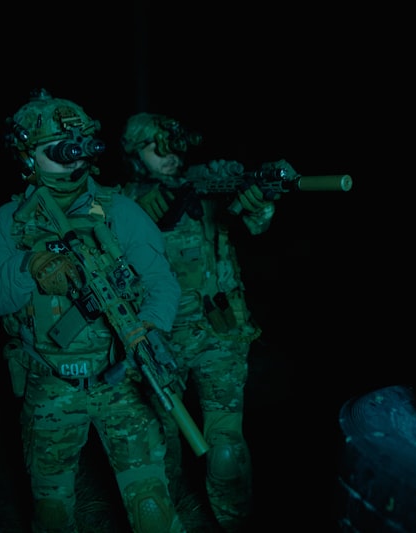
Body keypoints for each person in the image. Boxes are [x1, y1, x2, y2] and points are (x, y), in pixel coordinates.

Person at [0, 90, 186, 533]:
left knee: (153, 512)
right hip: (50, 385)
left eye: (80, 144)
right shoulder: (9, 222)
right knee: (53, 516)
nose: (73, 156)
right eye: (58, 149)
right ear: (27, 155)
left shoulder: (120, 211)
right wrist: (27, 267)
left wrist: (148, 326)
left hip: (120, 382)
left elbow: (162, 282)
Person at [119, 112, 297, 532]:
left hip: (217, 333)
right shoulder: (122, 201)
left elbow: (256, 221)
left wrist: (260, 199)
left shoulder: (207, 183)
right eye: (152, 146)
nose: (166, 154)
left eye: (170, 143)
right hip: (155, 339)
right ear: (134, 155)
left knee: (226, 449)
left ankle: (235, 522)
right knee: (160, 446)